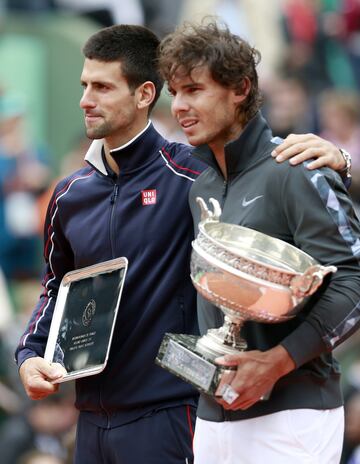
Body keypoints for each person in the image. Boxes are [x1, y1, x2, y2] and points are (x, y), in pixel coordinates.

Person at [15, 24, 351, 464]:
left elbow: (271, 175)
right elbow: (55, 287)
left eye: (101, 86)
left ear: (144, 94)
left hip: (179, 412)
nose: (85, 99)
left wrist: (340, 162)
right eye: (83, 85)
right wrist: (29, 354)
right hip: (96, 417)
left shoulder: (193, 173)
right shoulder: (69, 194)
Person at [158, 19, 360, 464]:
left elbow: (354, 283)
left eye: (194, 90)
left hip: (294, 414)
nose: (180, 107)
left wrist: (278, 362)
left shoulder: (297, 167)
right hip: (213, 416)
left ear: (240, 88)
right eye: (175, 94)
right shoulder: (201, 188)